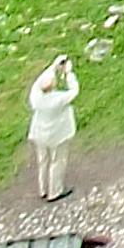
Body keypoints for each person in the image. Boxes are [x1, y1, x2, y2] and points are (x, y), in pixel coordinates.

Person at [27, 55, 78, 199]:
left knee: (42, 161)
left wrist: (53, 66)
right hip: (57, 135)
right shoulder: (58, 99)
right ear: (53, 86)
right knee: (57, 161)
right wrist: (68, 74)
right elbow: (74, 91)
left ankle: (43, 189)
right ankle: (54, 191)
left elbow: (38, 83)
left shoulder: (36, 97)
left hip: (39, 134)